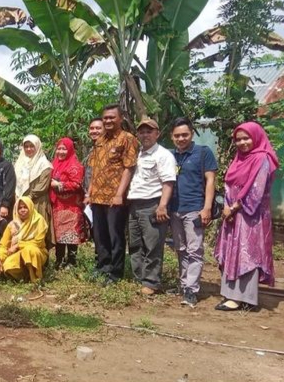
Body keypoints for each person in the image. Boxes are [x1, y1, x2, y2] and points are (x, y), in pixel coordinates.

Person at [215, 122, 278, 311]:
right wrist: (226, 206)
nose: (242, 143)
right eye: (238, 139)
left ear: (256, 137)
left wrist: (234, 207)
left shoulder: (262, 159)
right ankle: (230, 294)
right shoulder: (239, 158)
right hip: (233, 214)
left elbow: (256, 190)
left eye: (246, 138)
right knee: (232, 252)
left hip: (250, 215)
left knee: (247, 254)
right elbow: (229, 185)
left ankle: (243, 298)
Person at [85, 104, 138, 285]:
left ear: (120, 118)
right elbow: (95, 169)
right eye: (105, 117)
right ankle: (102, 266)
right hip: (97, 197)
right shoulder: (100, 140)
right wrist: (90, 192)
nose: (108, 120)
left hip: (115, 198)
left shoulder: (127, 139)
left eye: (111, 117)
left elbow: (128, 168)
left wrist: (119, 194)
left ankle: (115, 273)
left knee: (115, 235)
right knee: (100, 235)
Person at [169, 117, 217, 307]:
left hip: (195, 209)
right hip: (174, 209)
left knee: (195, 250)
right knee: (180, 249)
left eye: (185, 135)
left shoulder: (203, 152)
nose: (181, 138)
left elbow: (211, 181)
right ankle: (184, 285)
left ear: (191, 134)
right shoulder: (171, 156)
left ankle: (192, 289)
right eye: (177, 136)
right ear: (172, 137)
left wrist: (206, 208)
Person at [127, 120, 176, 295]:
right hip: (134, 203)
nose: (145, 135)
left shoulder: (163, 155)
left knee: (153, 245)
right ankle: (139, 277)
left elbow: (168, 182)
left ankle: (151, 282)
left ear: (157, 134)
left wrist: (162, 206)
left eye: (149, 131)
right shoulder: (136, 154)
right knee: (135, 244)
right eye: (142, 132)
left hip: (152, 204)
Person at [50, 137, 87, 269]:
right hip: (57, 205)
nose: (61, 152)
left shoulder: (75, 166)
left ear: (70, 150)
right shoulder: (53, 164)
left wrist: (58, 185)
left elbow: (76, 184)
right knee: (59, 234)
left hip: (71, 206)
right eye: (59, 148)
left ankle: (71, 261)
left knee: (71, 234)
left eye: (64, 149)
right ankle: (59, 259)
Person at [0, 197, 47, 282]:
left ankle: (35, 279)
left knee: (29, 250)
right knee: (8, 266)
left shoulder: (38, 220)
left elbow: (38, 242)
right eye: (20, 208)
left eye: (25, 207)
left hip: (37, 252)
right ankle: (25, 277)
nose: (23, 210)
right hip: (18, 254)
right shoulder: (12, 225)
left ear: (30, 207)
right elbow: (3, 245)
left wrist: (18, 245)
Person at [14, 134, 53, 246]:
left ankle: (42, 259)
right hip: (21, 202)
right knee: (22, 230)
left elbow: (43, 186)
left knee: (38, 229)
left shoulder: (44, 164)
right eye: (26, 146)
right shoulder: (19, 163)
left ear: (38, 147)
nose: (29, 149)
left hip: (37, 202)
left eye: (32, 146)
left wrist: (28, 198)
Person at [83, 118, 104, 197]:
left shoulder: (109, 150)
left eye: (98, 128)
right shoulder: (92, 150)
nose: (94, 131)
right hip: (90, 196)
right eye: (92, 128)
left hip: (104, 198)